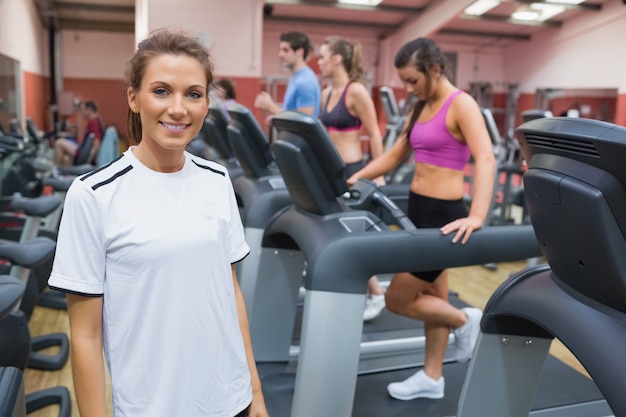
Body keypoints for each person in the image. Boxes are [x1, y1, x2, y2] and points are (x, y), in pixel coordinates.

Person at [48, 29, 268, 417]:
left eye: (194, 94)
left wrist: (256, 393)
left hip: (231, 399)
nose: (179, 108)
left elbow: (230, 293)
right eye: (162, 91)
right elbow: (85, 335)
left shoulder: (217, 181)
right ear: (134, 98)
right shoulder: (93, 195)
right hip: (153, 406)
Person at [347, 37, 496, 401]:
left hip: (444, 218)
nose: (407, 88)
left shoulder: (461, 104)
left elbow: (487, 158)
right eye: (404, 81)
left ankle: (466, 320)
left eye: (412, 80)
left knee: (398, 299)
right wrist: (355, 177)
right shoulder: (420, 106)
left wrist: (477, 216)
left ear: (435, 70)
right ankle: (433, 377)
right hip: (418, 209)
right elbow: (397, 154)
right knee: (433, 298)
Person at [317, 35, 386, 321]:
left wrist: (378, 173)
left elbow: (375, 132)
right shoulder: (325, 93)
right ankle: (359, 288)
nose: (319, 62)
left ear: (337, 59)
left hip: (353, 170)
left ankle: (377, 294)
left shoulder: (355, 91)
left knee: (352, 236)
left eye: (322, 57)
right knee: (334, 233)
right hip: (329, 171)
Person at [254, 31, 321, 118]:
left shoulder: (305, 82)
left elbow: (304, 124)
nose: (280, 55)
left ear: (299, 52)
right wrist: (277, 118)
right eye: (280, 50)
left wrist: (272, 107)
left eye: (285, 50)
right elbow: (292, 113)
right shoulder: (296, 77)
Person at [53, 99, 104, 166]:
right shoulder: (96, 121)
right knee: (66, 158)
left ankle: (54, 168)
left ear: (89, 110)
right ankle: (60, 171)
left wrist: (91, 162)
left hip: (82, 155)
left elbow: (96, 144)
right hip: (82, 151)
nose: (82, 113)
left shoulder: (93, 123)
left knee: (59, 142)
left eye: (83, 110)